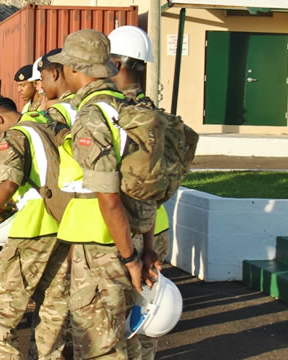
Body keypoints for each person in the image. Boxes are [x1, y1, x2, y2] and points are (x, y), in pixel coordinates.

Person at [48, 29, 158, 359]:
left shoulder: (93, 115)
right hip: (131, 236)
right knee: (127, 338)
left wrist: (129, 259)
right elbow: (146, 187)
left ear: (76, 69)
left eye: (66, 66)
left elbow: (108, 197)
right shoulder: (129, 108)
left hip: (104, 247)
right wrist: (146, 248)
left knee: (98, 344)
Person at [0, 97, 71, 359]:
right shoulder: (48, 122)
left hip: (33, 226)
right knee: (53, 303)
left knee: (0, 304)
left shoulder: (15, 135)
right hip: (65, 222)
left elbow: (8, 183)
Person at [109, 25, 168, 360]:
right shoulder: (151, 113)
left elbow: (140, 188)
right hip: (151, 227)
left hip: (134, 230)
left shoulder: (128, 116)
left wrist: (143, 248)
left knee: (125, 316)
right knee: (142, 314)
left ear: (118, 65)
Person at [38, 49, 76, 127]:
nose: (41, 85)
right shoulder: (83, 100)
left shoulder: (58, 111)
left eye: (42, 78)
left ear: (54, 74)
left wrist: (42, 114)